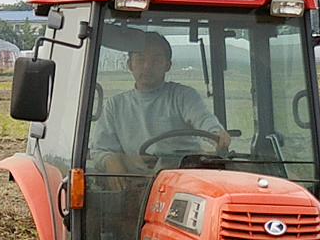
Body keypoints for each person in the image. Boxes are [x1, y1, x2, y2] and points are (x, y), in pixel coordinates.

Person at [92, 32, 231, 187]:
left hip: (181, 180)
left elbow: (203, 119)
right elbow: (99, 149)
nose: (147, 66)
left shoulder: (183, 96)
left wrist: (215, 133)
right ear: (129, 64)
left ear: (168, 65)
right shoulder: (114, 106)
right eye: (140, 59)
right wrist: (111, 162)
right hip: (137, 184)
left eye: (156, 59)